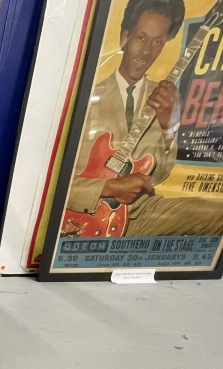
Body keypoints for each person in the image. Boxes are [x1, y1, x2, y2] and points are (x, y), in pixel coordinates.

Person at [67, 0, 223, 236]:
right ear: (124, 37)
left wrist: (169, 126)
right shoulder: (87, 97)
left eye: (157, 41)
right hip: (84, 214)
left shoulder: (163, 98)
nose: (147, 51)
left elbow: (159, 175)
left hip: (142, 212)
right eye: (141, 38)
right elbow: (48, 187)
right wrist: (107, 187)